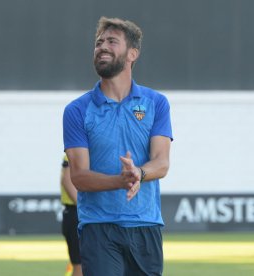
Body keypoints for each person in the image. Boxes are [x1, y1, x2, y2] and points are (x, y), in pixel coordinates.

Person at [62, 17, 173, 276]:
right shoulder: (77, 110)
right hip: (99, 228)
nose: (102, 46)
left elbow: (162, 162)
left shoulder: (156, 103)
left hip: (146, 226)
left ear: (132, 53)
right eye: (99, 42)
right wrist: (121, 180)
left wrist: (140, 174)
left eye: (112, 41)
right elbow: (79, 176)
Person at [60, 154, 82, 276]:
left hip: (77, 213)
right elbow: (67, 181)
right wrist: (83, 207)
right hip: (75, 214)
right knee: (80, 266)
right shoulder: (74, 150)